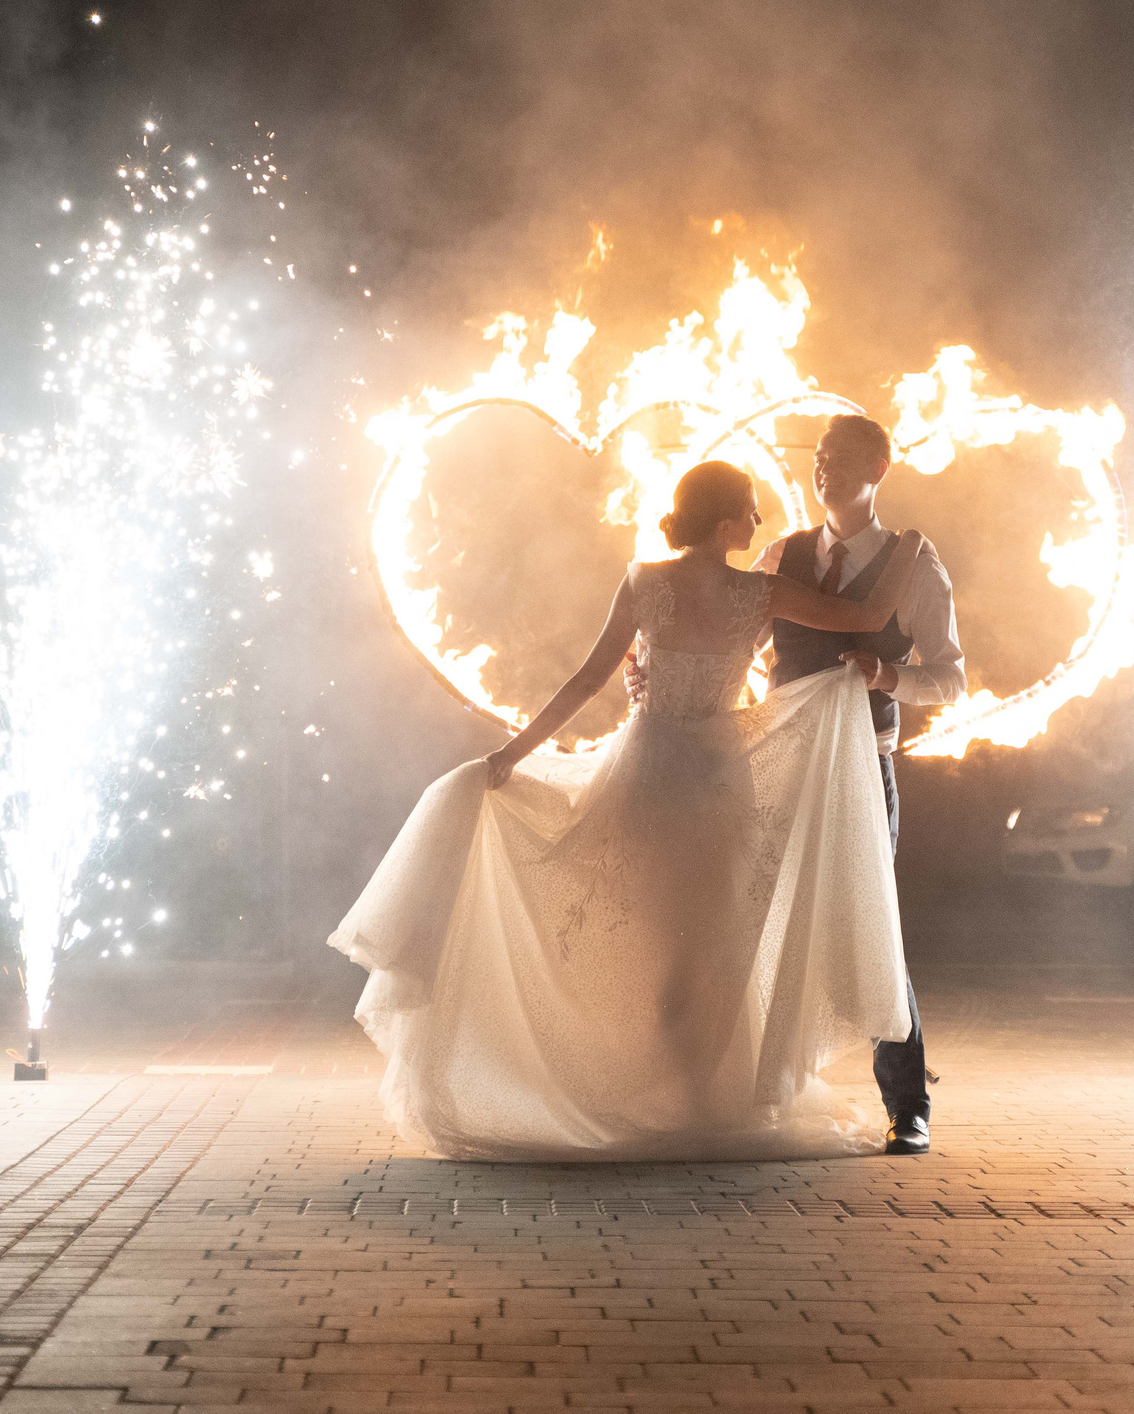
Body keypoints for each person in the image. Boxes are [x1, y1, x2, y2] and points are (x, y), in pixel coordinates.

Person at [328, 460, 927, 1160]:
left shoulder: (648, 581)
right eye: (750, 509)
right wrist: (910, 547)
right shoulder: (758, 592)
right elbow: (867, 617)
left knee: (670, 947)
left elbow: (587, 679)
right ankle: (695, 1101)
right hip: (716, 782)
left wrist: (513, 753)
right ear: (724, 522)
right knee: (709, 950)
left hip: (651, 773)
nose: (760, 521)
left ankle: (684, 1096)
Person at [750, 414, 961, 1155]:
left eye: (841, 459)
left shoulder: (913, 564)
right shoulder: (782, 554)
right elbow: (739, 643)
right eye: (819, 457)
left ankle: (908, 1104)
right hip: (784, 764)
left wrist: (888, 676)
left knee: (872, 925)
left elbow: (952, 678)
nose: (824, 469)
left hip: (863, 766)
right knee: (760, 916)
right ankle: (756, 1089)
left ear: (879, 468)